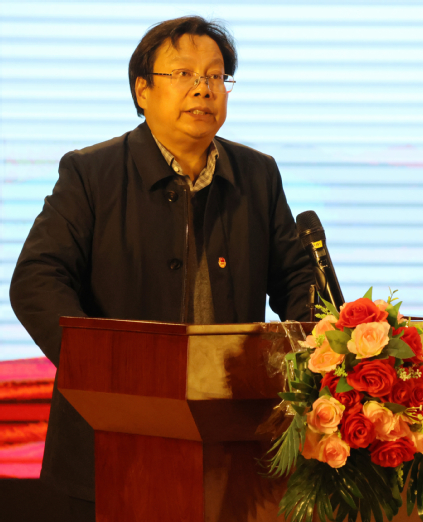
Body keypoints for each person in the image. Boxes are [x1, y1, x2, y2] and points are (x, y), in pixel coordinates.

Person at [9, 16, 313, 520]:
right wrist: (104, 371)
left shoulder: (257, 175)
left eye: (215, 76)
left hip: (235, 444)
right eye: (184, 74)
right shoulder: (92, 173)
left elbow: (299, 282)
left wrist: (311, 368)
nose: (203, 89)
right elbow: (36, 281)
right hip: (113, 439)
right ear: (142, 90)